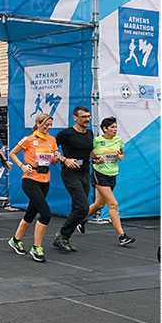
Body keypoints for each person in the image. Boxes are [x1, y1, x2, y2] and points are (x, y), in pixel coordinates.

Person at [7, 113, 66, 263]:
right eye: (46, 124)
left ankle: (15, 240)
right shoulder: (29, 139)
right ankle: (37, 247)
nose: (48, 127)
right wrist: (22, 166)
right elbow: (12, 153)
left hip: (44, 180)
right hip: (30, 180)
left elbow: (51, 162)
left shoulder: (52, 140)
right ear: (38, 124)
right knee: (45, 214)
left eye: (50, 125)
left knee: (31, 212)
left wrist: (56, 158)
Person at [83, 117, 135, 246]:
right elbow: (91, 156)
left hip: (112, 175)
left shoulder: (118, 140)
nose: (115, 130)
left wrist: (118, 156)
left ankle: (79, 220)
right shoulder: (97, 141)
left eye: (116, 127)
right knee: (113, 204)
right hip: (99, 174)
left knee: (98, 205)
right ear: (105, 129)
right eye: (112, 127)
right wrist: (97, 159)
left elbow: (122, 156)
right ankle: (122, 236)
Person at [52, 107, 97, 252]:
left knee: (78, 208)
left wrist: (97, 157)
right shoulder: (66, 134)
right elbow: (51, 147)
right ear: (75, 118)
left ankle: (64, 238)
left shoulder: (89, 133)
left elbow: (90, 151)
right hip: (70, 173)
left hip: (85, 172)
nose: (87, 119)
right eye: (83, 117)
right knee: (83, 207)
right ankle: (62, 235)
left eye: (88, 116)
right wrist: (64, 159)